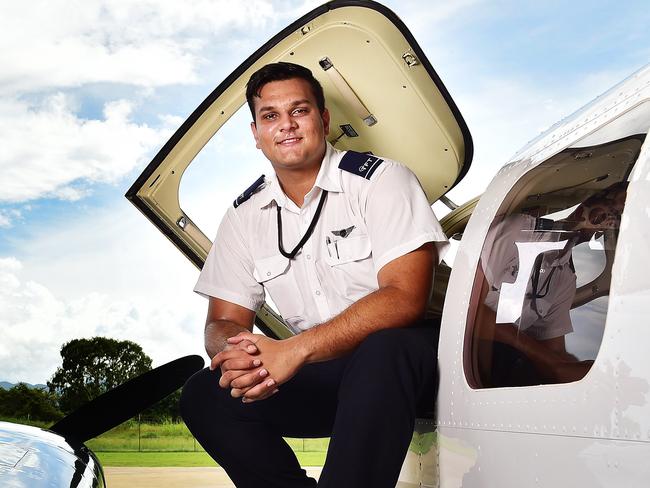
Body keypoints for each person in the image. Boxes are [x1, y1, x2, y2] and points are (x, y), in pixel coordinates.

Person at [180, 62, 449, 488]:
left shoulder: (381, 180)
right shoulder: (243, 215)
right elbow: (223, 321)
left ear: (323, 119)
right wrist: (240, 355)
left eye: (299, 111)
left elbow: (405, 297)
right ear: (256, 133)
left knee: (384, 348)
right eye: (270, 116)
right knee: (204, 392)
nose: (285, 125)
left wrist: (294, 350)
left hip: (417, 361)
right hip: (330, 368)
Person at [476, 182, 627, 385]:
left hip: (504, 362)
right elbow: (469, 310)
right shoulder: (518, 230)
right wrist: (551, 363)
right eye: (610, 205)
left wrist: (589, 371)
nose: (610, 218)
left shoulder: (565, 279)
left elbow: (553, 350)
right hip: (469, 352)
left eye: (617, 217)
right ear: (585, 202)